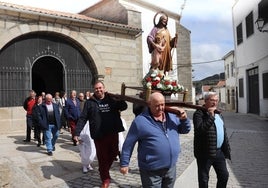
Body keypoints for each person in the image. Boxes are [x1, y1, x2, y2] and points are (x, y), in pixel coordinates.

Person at [120, 92, 191, 187]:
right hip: (151, 170)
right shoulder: (140, 121)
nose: (161, 108)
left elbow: (185, 130)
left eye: (162, 104)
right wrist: (124, 163)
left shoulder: (172, 116)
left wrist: (184, 119)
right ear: (149, 104)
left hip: (170, 168)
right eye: (157, 105)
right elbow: (129, 143)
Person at [74, 81, 128, 188]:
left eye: (100, 88)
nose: (99, 90)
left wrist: (120, 98)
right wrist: (77, 132)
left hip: (112, 132)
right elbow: (83, 118)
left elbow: (124, 106)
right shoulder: (89, 102)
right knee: (102, 157)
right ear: (94, 90)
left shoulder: (111, 99)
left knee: (114, 152)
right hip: (99, 135)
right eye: (96, 89)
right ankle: (105, 179)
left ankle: (103, 169)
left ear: (104, 88)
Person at [193, 92, 231, 188]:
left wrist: (226, 148)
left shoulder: (218, 114)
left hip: (219, 152)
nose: (214, 103)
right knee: (204, 179)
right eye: (212, 100)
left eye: (216, 100)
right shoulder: (198, 114)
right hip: (205, 152)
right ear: (205, 101)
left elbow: (223, 132)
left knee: (224, 176)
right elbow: (200, 129)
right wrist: (211, 116)